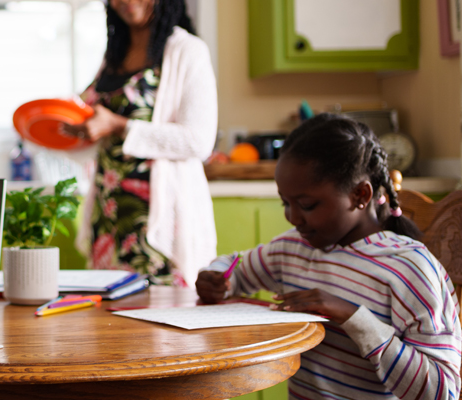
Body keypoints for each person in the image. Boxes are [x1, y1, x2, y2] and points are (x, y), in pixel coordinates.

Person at [196, 114, 461, 399]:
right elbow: (236, 266)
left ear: (360, 194)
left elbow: (443, 391)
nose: (293, 217)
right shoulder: (293, 249)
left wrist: (353, 317)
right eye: (286, 203)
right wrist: (218, 278)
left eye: (307, 205)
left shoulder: (410, 269)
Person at [63, 0, 217, 287]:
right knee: (109, 324)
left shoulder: (188, 51)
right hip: (108, 216)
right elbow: (94, 124)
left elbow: (198, 140)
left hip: (158, 222)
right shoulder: (112, 57)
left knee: (162, 323)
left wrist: (118, 125)